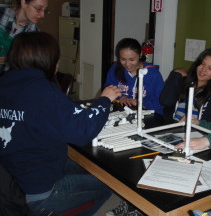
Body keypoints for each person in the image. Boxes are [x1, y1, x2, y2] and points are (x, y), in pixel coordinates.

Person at [0, 32, 121, 215]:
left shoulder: (6, 83)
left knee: (91, 168)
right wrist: (104, 100)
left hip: (14, 179)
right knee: (112, 182)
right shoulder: (42, 91)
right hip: (40, 191)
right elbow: (83, 131)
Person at [160, 49, 211, 122]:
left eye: (210, 68)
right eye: (202, 64)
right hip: (172, 128)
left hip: (195, 131)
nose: (203, 69)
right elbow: (165, 101)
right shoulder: (185, 82)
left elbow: (210, 122)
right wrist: (176, 75)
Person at [104, 38, 164, 115]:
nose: (127, 64)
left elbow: (161, 103)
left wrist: (141, 103)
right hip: (121, 114)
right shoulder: (115, 68)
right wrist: (121, 97)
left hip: (148, 116)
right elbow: (108, 88)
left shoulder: (153, 74)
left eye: (132, 59)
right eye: (123, 59)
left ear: (140, 54)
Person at [0, 0, 49, 73]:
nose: (42, 15)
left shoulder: (34, 34)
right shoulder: (2, 13)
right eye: (39, 9)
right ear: (23, 3)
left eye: (45, 10)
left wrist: (13, 59)